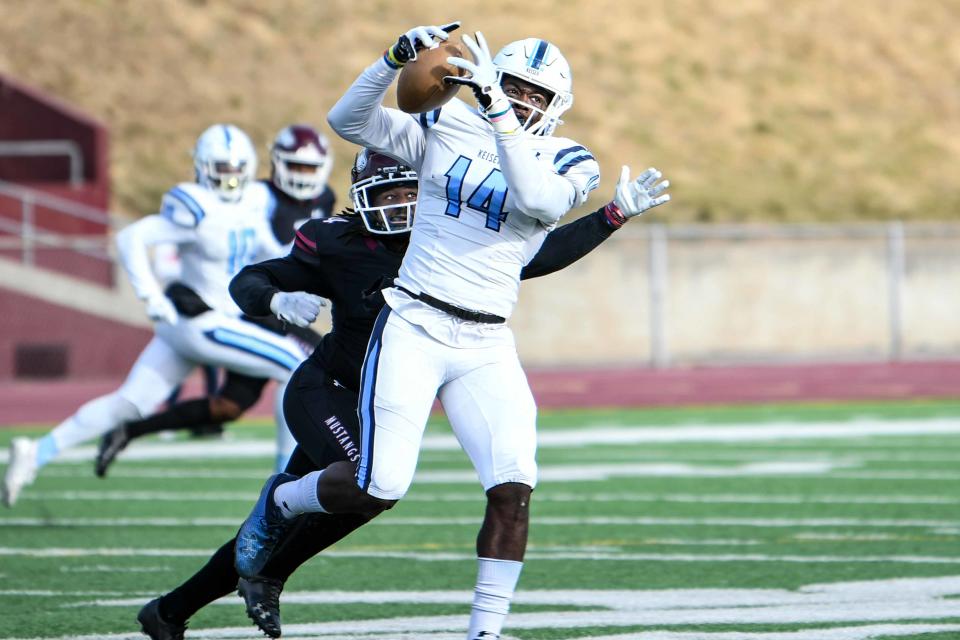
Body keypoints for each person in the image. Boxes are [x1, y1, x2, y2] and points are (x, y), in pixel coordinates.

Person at [233, 23, 671, 640]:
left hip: (487, 341)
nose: (521, 98)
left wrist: (498, 113)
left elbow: (538, 204)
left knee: (514, 486)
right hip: (414, 322)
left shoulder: (570, 157)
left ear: (558, 106)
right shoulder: (448, 124)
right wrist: (392, 61)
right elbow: (348, 121)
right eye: (514, 86)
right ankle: (284, 500)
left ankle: (484, 633)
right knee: (379, 484)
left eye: (535, 94)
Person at [132, 146, 666, 640]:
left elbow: (537, 257)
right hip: (330, 389)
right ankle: (265, 572)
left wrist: (609, 215)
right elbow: (248, 279)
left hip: (379, 397)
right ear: (361, 200)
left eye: (411, 191)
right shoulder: (337, 244)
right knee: (366, 488)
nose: (402, 205)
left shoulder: (452, 237)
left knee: (335, 501)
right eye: (387, 196)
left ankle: (172, 611)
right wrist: (276, 301)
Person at [1, 124, 309, 506]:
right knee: (297, 365)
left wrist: (302, 265)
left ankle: (37, 451)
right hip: (203, 321)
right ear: (201, 167)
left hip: (200, 325)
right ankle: (283, 484)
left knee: (130, 404)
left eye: (234, 169)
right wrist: (150, 295)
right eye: (221, 169)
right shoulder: (194, 203)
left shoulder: (256, 200)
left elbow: (267, 246)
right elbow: (132, 238)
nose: (229, 178)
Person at [93, 124, 337, 477]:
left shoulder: (324, 199)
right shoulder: (258, 196)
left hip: (286, 308)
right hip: (256, 308)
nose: (301, 176)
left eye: (309, 168)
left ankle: (129, 430)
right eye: (294, 166)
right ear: (274, 163)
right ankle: (293, 471)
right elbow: (254, 248)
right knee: (310, 363)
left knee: (229, 406)